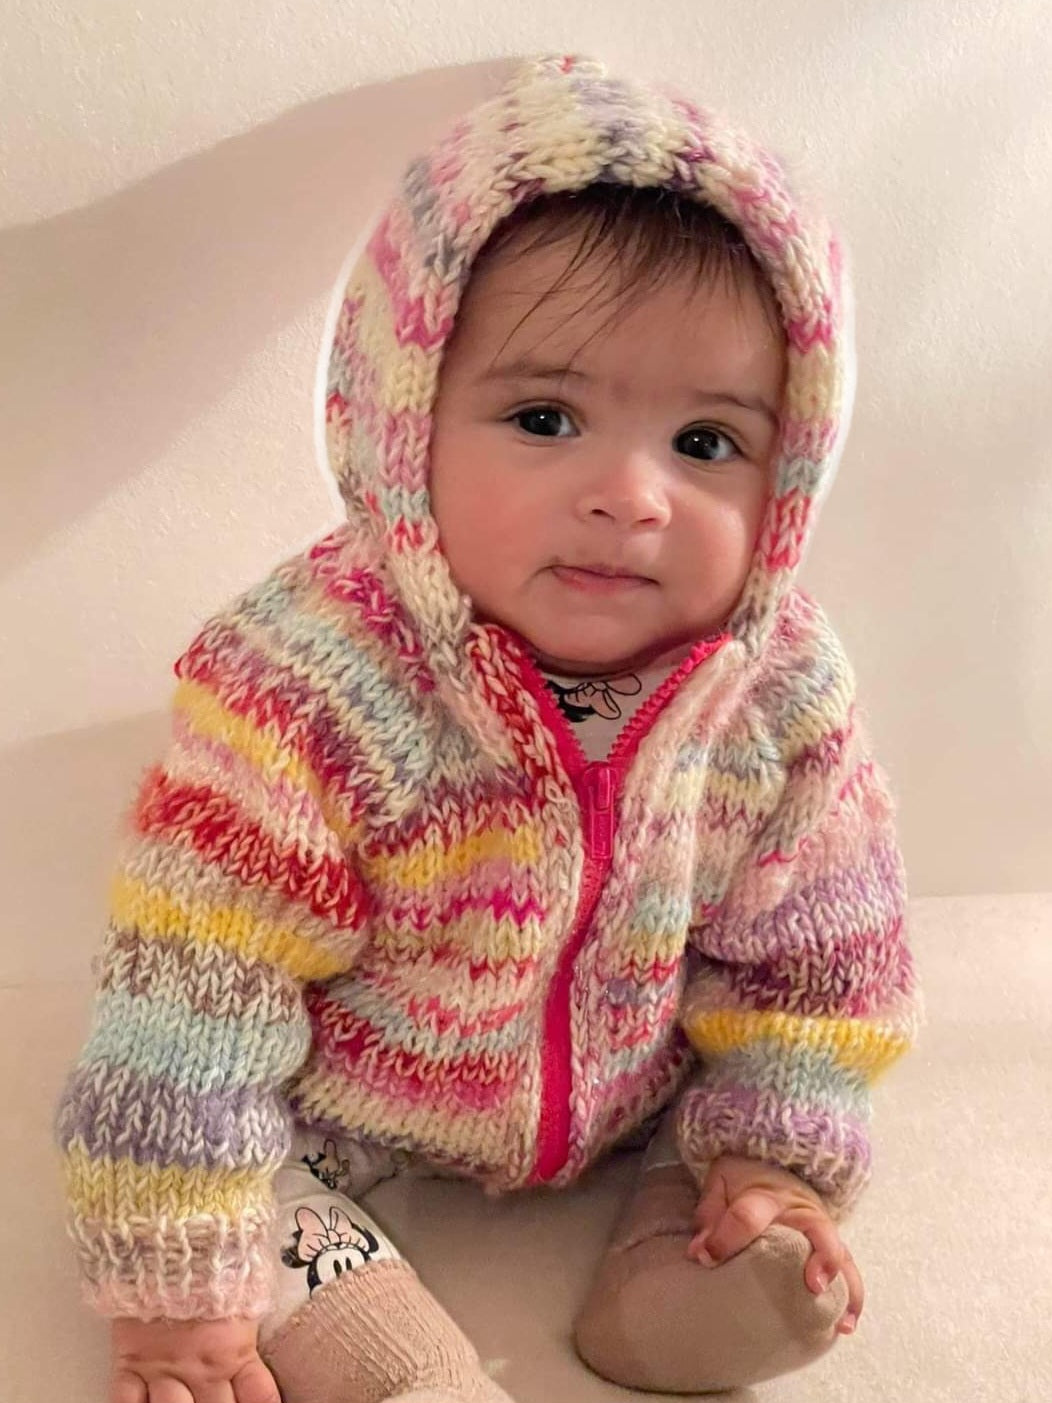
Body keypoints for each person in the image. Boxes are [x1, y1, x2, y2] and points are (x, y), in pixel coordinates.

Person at [55, 53, 922, 1403]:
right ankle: (399, 1366)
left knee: (729, 1177)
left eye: (706, 443)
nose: (633, 495)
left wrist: (774, 1146)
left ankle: (684, 1279)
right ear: (402, 425)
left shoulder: (781, 690)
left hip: (638, 1101)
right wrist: (175, 1290)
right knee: (278, 1221)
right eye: (545, 417)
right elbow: (192, 998)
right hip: (333, 1122)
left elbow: (819, 957)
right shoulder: (307, 686)